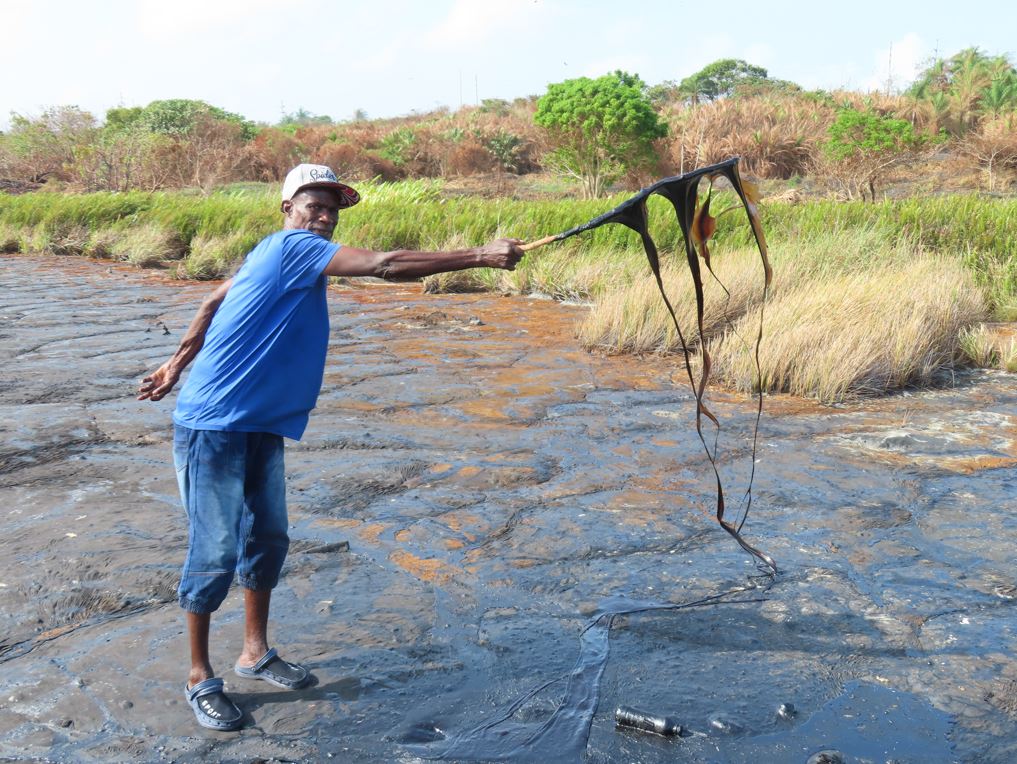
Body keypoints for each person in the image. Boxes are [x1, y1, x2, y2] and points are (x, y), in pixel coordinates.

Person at [137, 164, 524, 731]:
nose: (323, 216)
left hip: (262, 423)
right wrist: (481, 257)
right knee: (215, 551)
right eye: (313, 205)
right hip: (214, 427)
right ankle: (199, 677)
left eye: (332, 210)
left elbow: (210, 303)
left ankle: (255, 652)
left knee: (267, 538)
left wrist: (175, 363)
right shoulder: (292, 247)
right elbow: (385, 265)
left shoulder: (269, 258)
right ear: (287, 209)